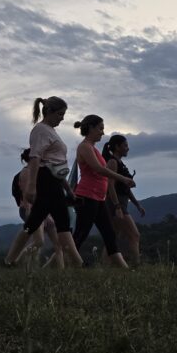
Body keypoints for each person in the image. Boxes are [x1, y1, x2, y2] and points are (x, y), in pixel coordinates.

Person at [5, 97, 83, 268]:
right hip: (46, 180)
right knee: (61, 222)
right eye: (60, 114)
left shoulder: (50, 131)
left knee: (35, 223)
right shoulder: (40, 130)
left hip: (53, 180)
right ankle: (78, 264)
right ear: (48, 112)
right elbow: (35, 157)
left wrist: (69, 190)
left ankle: (9, 260)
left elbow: (57, 165)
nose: (62, 118)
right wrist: (31, 186)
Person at [72, 115, 135, 269]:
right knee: (81, 234)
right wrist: (123, 178)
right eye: (100, 128)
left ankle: (124, 268)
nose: (102, 132)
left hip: (98, 198)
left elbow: (102, 170)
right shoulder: (84, 147)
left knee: (109, 233)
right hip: (87, 196)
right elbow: (98, 169)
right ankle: (64, 263)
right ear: (91, 128)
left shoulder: (93, 149)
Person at [14, 148, 64, 268]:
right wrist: (30, 211)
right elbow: (26, 195)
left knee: (59, 244)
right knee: (39, 241)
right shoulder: (26, 173)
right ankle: (14, 262)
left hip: (44, 210)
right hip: (31, 209)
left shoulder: (37, 172)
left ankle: (62, 272)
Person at [102, 135, 145, 265]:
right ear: (117, 147)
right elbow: (110, 186)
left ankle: (104, 265)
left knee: (113, 237)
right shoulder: (113, 162)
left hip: (120, 203)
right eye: (125, 145)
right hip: (116, 204)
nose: (128, 148)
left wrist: (137, 204)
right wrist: (117, 206)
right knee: (134, 235)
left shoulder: (120, 163)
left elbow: (125, 189)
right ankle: (136, 265)